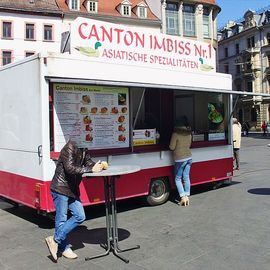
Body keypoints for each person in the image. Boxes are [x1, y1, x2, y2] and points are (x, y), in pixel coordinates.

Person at [45, 140, 107, 261]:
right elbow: (70, 168)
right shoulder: (69, 147)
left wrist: (97, 166)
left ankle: (54, 239)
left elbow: (88, 162)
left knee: (80, 216)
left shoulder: (83, 147)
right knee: (61, 219)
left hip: (72, 190)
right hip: (60, 188)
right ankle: (64, 248)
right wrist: (90, 169)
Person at [169, 118, 192, 206]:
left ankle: (183, 197)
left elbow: (171, 147)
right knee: (186, 177)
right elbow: (189, 145)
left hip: (180, 159)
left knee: (178, 179)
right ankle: (187, 196)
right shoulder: (189, 133)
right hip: (189, 157)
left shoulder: (175, 134)